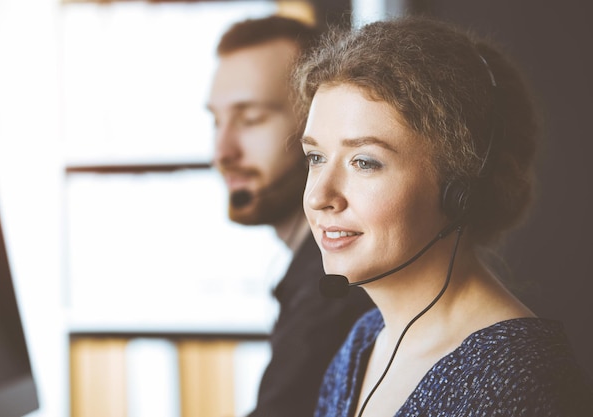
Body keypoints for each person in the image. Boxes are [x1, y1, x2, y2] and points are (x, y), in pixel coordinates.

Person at [293, 16, 593, 417]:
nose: (318, 197)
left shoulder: (518, 381)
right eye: (316, 157)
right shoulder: (363, 344)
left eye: (364, 162)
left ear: (459, 190)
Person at [206, 15, 375, 417]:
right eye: (216, 121)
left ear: (317, 127)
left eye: (250, 119)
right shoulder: (313, 276)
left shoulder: (333, 292)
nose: (222, 152)